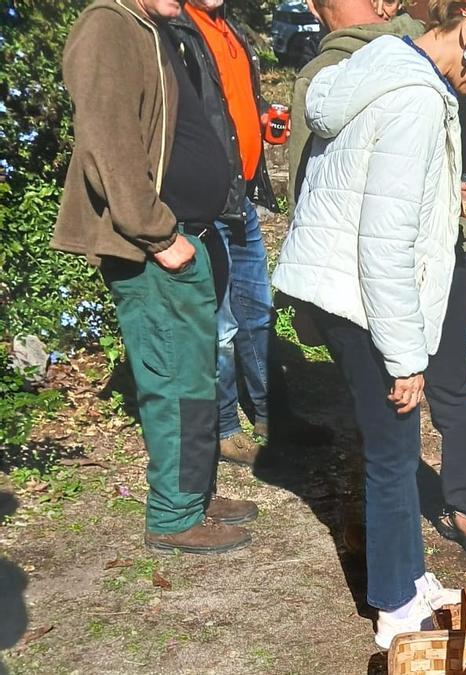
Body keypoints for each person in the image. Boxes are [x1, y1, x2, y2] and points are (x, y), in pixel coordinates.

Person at [272, 0, 466, 646]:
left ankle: (410, 577)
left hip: (351, 289)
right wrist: (405, 356)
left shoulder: (391, 66)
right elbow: (385, 243)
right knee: (393, 454)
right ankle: (395, 608)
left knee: (395, 441)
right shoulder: (416, 101)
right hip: (357, 295)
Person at [291, 0, 466, 552]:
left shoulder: (447, 68)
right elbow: (322, 179)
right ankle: (384, 532)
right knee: (387, 412)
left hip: (443, 251)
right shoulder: (359, 66)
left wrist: (457, 200)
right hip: (381, 266)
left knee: (452, 380)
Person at [54, 0, 256, 554]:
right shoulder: (108, 26)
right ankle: (173, 515)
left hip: (183, 238)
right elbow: (106, 142)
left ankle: (193, 493)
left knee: (195, 376)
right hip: (153, 246)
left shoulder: (153, 27)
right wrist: (157, 234)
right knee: (174, 382)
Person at [166, 0, 276, 464]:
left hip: (241, 196)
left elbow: (233, 102)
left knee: (258, 310)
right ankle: (227, 427)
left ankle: (271, 415)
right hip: (207, 204)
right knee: (222, 324)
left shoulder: (229, 28)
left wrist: (263, 115)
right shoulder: (177, 29)